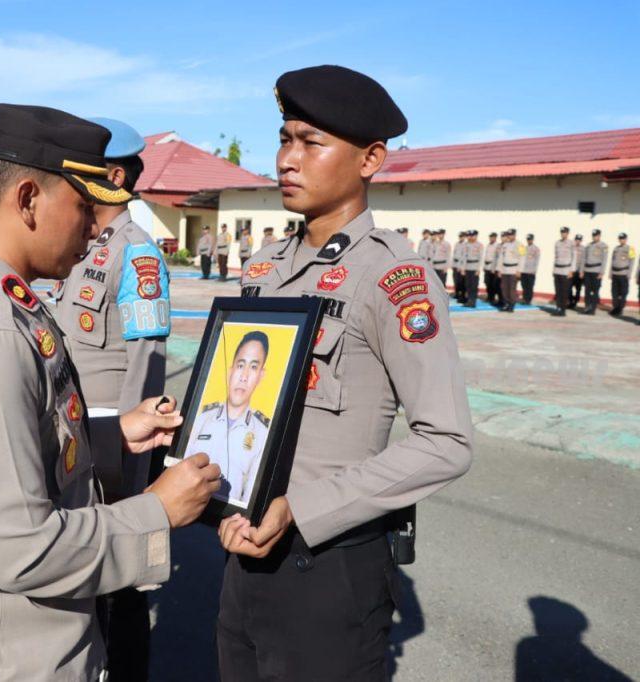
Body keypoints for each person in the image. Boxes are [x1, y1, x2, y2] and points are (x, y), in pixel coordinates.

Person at [0, 104, 220, 681]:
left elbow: (14, 436)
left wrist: (112, 433)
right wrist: (158, 511)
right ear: (28, 200)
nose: (94, 228)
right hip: (9, 653)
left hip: (0, 634)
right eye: (84, 208)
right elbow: (26, 550)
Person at [222, 65, 472, 681]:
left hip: (326, 567)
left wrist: (301, 509)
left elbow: (446, 442)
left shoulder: (393, 277)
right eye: (284, 140)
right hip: (242, 551)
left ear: (371, 159)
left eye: (311, 143)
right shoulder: (262, 270)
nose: (287, 159)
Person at [52, 116, 171, 680]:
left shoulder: (137, 252)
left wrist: (130, 464)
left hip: (114, 447)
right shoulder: (79, 246)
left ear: (114, 177)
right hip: (77, 440)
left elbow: (147, 366)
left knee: (120, 586)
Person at [184, 331, 271, 507]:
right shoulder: (201, 418)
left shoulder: (263, 434)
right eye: (240, 365)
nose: (244, 376)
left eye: (253, 367)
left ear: (261, 376)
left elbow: (250, 499)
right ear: (230, 371)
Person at [582, 229, 608, 314]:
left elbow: (604, 260)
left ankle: (592, 309)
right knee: (587, 290)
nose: (594, 237)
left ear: (599, 236)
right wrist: (582, 270)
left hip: (596, 271)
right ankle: (587, 307)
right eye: (593, 236)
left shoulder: (603, 246)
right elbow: (584, 258)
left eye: (596, 235)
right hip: (587, 270)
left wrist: (602, 272)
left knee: (595, 291)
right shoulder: (588, 245)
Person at [609, 232, 635, 316]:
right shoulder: (616, 248)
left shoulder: (630, 248)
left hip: (624, 274)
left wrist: (629, 273)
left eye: (623, 238)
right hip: (615, 273)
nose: (621, 240)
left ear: (626, 239)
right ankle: (615, 308)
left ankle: (620, 309)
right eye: (620, 239)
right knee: (614, 292)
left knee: (623, 292)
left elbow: (632, 262)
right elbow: (612, 261)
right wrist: (610, 273)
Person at [551, 226, 575, 316]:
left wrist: (571, 271)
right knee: (558, 291)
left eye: (565, 232)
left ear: (567, 233)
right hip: (557, 270)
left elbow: (574, 257)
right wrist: (553, 269)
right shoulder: (557, 243)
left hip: (566, 270)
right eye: (562, 232)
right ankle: (558, 307)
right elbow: (556, 257)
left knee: (564, 291)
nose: (563, 234)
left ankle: (563, 309)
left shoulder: (571, 243)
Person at [498, 229, 523, 312]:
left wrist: (519, 270)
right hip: (505, 269)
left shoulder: (520, 245)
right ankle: (506, 303)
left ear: (515, 235)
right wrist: (499, 269)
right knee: (504, 288)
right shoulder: (505, 245)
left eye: (511, 235)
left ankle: (511, 305)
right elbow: (501, 257)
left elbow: (523, 258)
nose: (509, 236)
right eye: (508, 235)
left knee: (512, 289)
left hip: (514, 270)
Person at [462, 229, 483, 308]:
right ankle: (469, 301)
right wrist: (463, 268)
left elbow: (481, 258)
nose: (470, 237)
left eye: (472, 236)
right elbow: (464, 257)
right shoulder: (465, 245)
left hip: (475, 267)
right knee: (468, 285)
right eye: (469, 236)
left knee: (474, 286)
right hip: (467, 267)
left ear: (476, 236)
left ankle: (473, 302)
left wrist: (478, 269)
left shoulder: (479, 245)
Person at [521, 233, 540, 304]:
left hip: (531, 271)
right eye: (528, 239)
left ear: (533, 239)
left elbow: (537, 260)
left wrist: (535, 270)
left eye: (530, 239)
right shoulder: (523, 248)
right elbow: (521, 259)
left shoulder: (536, 249)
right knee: (524, 286)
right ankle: (524, 298)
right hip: (523, 270)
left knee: (530, 286)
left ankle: (528, 299)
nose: (529, 240)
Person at [484, 231, 501, 306]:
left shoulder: (497, 246)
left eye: (493, 237)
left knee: (493, 283)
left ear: (495, 238)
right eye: (490, 237)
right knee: (487, 282)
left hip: (493, 267)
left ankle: (492, 297)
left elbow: (497, 257)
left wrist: (495, 268)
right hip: (487, 266)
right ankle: (489, 296)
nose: (491, 238)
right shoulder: (488, 245)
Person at [569, 234, 585, 309]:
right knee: (569, 287)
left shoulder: (583, 249)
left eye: (579, 240)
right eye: (576, 240)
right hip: (572, 271)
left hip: (579, 271)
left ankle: (575, 302)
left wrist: (582, 272)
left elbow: (584, 261)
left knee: (578, 288)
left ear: (581, 241)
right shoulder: (571, 248)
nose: (578, 241)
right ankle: (571, 301)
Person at [452, 231, 467, 302]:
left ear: (464, 237)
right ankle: (457, 294)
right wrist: (452, 265)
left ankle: (462, 295)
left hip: (461, 266)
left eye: (462, 236)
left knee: (462, 282)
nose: (461, 237)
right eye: (460, 236)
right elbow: (454, 254)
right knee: (456, 280)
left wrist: (461, 267)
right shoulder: (456, 244)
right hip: (455, 264)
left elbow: (464, 257)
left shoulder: (466, 245)